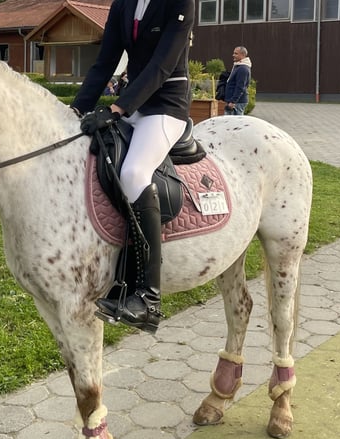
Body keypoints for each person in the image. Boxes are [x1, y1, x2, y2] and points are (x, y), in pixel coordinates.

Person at [71, 0, 195, 334]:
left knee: (134, 172)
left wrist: (117, 109)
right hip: (135, 103)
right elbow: (105, 62)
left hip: (166, 105)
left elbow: (161, 65)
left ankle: (148, 298)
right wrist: (74, 111)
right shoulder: (122, 4)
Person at [223, 46, 252, 115]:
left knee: (234, 123)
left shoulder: (243, 69)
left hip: (237, 102)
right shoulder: (238, 66)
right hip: (234, 101)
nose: (233, 55)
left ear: (242, 55)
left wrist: (233, 101)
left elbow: (240, 87)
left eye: (236, 53)